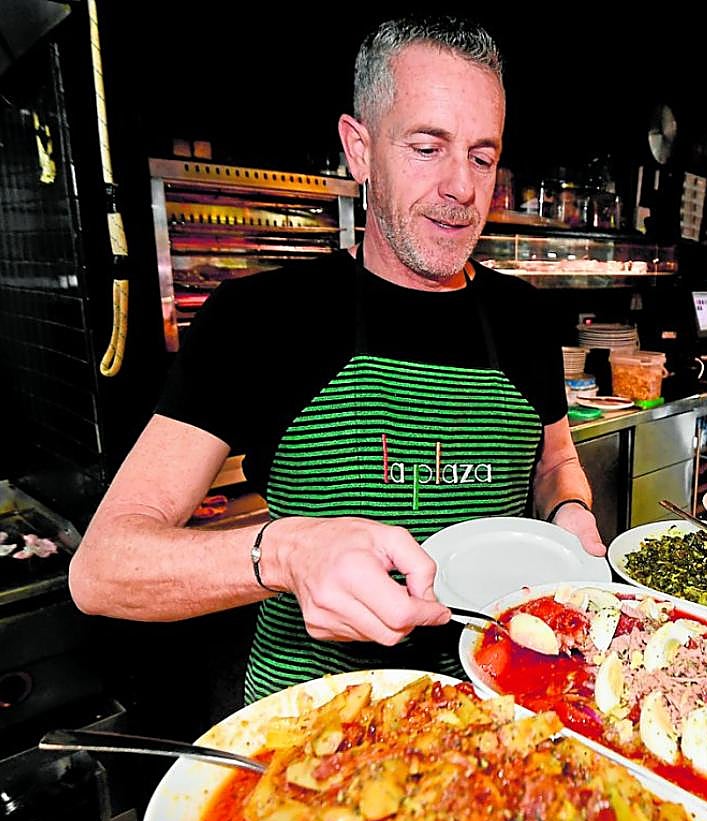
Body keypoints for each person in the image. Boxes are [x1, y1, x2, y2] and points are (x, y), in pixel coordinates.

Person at [68, 16, 604, 703]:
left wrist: (568, 511)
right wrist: (284, 553)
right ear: (360, 149)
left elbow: (555, 460)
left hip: (500, 703)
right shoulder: (259, 318)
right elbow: (102, 569)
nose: (461, 188)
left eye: (480, 155)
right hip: (319, 722)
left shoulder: (525, 319)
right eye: (426, 146)